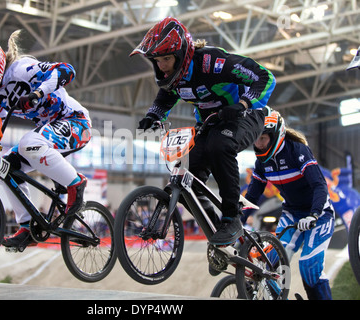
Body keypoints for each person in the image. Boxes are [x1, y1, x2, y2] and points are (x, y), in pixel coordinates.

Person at [131, 17, 276, 245]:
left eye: (167, 59)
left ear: (182, 55)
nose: (162, 66)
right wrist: (154, 115)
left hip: (249, 114)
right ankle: (218, 234)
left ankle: (232, 218)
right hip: (211, 122)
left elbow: (265, 78)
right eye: (157, 61)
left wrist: (243, 104)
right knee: (186, 178)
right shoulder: (174, 78)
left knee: (219, 145)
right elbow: (166, 97)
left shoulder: (213, 63)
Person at [0, 31, 92, 250]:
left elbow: (66, 70)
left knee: (28, 142)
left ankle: (76, 184)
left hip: (76, 122)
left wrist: (37, 94)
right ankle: (27, 226)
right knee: (5, 168)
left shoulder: (21, 70)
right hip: (49, 130)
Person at [244, 109, 334, 300]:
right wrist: (236, 222)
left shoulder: (298, 151)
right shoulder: (261, 163)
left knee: (309, 266)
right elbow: (252, 196)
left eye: (263, 138)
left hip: (319, 214)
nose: (258, 145)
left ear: (276, 135)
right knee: (270, 262)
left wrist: (314, 214)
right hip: (292, 213)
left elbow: (319, 185)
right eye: (255, 138)